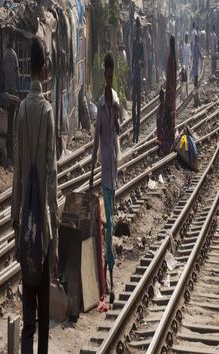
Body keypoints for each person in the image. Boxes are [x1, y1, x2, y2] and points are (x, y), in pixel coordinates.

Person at [11, 37, 58, 354]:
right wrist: (53, 219)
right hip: (43, 221)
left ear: (29, 68)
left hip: (23, 220)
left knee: (27, 311)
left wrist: (15, 218)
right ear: (44, 69)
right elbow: (51, 174)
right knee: (43, 313)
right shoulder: (47, 112)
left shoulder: (20, 112)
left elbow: (15, 172)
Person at [90, 53, 120, 298]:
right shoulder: (100, 104)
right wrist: (90, 169)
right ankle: (109, 274)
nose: (109, 77)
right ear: (105, 74)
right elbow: (96, 140)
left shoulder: (116, 102)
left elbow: (118, 130)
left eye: (111, 73)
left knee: (110, 222)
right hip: (104, 169)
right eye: (106, 73)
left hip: (114, 168)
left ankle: (109, 273)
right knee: (108, 224)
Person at [3, 34, 19, 162]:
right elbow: (17, 72)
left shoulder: (4, 54)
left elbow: (3, 70)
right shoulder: (13, 54)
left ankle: (9, 151)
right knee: (12, 121)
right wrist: (17, 87)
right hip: (12, 89)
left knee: (8, 118)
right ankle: (11, 153)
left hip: (6, 90)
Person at [160, 35, 177, 155]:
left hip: (170, 91)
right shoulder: (174, 57)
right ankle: (171, 133)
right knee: (172, 113)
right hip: (173, 90)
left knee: (169, 112)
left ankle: (169, 135)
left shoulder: (170, 57)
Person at [132, 16, 144, 143]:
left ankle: (137, 133)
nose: (137, 30)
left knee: (138, 105)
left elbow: (143, 61)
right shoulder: (134, 42)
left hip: (139, 78)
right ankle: (135, 129)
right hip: (133, 77)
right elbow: (131, 60)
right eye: (136, 28)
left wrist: (141, 63)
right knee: (134, 106)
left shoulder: (141, 44)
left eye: (138, 28)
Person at [156, 88, 165, 155]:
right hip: (162, 126)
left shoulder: (160, 108)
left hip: (160, 127)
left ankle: (160, 149)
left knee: (160, 136)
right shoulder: (162, 107)